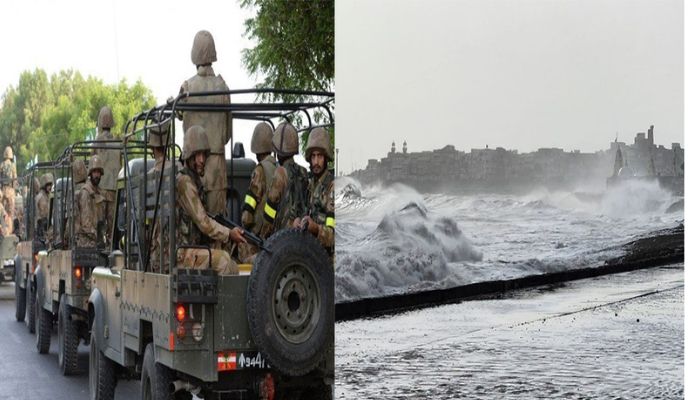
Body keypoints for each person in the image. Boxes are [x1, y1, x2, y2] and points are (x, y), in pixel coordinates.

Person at [175, 125, 246, 275]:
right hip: (182, 253)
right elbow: (204, 223)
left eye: (204, 155)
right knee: (224, 262)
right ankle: (223, 300)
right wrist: (229, 233)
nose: (202, 160)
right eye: (197, 155)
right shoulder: (185, 182)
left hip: (191, 249)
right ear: (189, 155)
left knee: (233, 257)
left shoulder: (194, 180)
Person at [179, 30, 232, 218]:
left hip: (192, 166)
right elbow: (227, 135)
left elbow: (178, 114)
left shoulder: (187, 88)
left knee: (194, 224)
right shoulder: (223, 87)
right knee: (218, 223)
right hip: (217, 168)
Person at [260, 122, 309, 239]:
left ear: (277, 150)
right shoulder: (304, 172)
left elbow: (269, 212)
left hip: (282, 238)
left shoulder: (280, 173)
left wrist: (263, 237)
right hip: (302, 237)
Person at [239, 122, 276, 262]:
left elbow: (247, 214)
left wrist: (244, 226)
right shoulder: (279, 168)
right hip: (275, 233)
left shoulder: (259, 170)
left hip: (258, 237)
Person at [294, 128, 334, 255]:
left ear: (326, 158)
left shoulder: (333, 188)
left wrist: (316, 229)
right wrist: (298, 221)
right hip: (311, 252)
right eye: (313, 156)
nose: (316, 162)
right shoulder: (310, 185)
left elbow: (335, 237)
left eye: (320, 156)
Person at [93, 106, 120, 244]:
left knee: (100, 222)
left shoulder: (97, 141)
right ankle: (113, 247)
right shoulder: (117, 141)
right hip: (116, 189)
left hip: (101, 189)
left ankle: (101, 247)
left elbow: (92, 163)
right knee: (113, 223)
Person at [74, 155, 107, 248]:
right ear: (90, 173)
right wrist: (98, 237)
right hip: (87, 243)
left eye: (99, 172)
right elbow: (86, 223)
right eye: (94, 172)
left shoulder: (99, 192)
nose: (97, 175)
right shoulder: (86, 192)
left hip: (96, 241)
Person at [0, 146, 17, 223]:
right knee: (11, 211)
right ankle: (10, 228)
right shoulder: (13, 165)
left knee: (2, 211)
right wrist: (14, 190)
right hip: (10, 190)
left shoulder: (1, 165)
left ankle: (3, 226)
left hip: (3, 189)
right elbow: (15, 178)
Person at [35, 173, 53, 242]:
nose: (50, 187)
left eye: (51, 185)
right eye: (48, 185)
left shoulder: (49, 195)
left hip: (49, 223)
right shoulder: (39, 197)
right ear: (44, 185)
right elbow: (36, 213)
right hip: (42, 225)